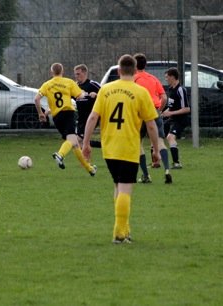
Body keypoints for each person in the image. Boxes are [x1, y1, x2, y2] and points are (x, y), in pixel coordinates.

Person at [81, 54, 160, 244]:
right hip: (129, 146)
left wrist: (86, 143)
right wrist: (155, 149)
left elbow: (92, 118)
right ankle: (118, 232)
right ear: (135, 71)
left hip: (109, 148)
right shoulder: (140, 92)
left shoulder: (105, 90)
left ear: (118, 71)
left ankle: (125, 230)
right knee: (125, 188)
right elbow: (151, 125)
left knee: (118, 186)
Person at [35, 63, 97, 176]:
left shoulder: (47, 84)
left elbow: (36, 99)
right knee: (72, 140)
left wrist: (41, 113)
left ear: (51, 72)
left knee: (74, 144)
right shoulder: (69, 82)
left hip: (56, 117)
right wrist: (90, 94)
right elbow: (80, 96)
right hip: (68, 113)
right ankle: (60, 155)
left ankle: (90, 169)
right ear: (62, 71)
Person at [133, 53, 172, 184]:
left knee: (138, 144)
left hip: (139, 113)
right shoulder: (153, 78)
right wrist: (159, 111)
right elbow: (164, 97)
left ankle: (146, 175)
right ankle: (167, 170)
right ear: (146, 65)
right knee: (160, 142)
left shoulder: (133, 79)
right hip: (154, 111)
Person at [162, 67, 191, 169]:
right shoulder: (171, 89)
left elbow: (187, 109)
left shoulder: (180, 90)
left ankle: (176, 163)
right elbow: (170, 107)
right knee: (158, 133)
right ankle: (156, 160)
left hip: (181, 119)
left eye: (167, 77)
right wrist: (161, 114)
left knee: (170, 137)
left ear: (173, 77)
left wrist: (171, 113)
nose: (166, 79)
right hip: (173, 119)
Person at [73, 64, 102, 148]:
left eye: (78, 74)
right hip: (80, 118)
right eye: (75, 74)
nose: (76, 76)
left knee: (78, 140)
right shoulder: (74, 86)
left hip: (91, 117)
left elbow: (106, 94)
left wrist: (96, 95)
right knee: (80, 143)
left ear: (85, 73)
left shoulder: (93, 84)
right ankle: (104, 145)